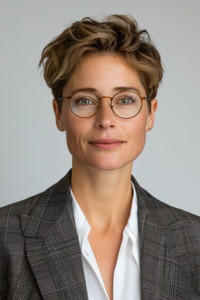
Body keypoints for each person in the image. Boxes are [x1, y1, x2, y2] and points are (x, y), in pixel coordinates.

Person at [0, 14, 199, 300]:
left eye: (126, 99)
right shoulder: (6, 237)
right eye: (85, 100)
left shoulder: (194, 241)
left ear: (150, 114)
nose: (106, 119)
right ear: (59, 114)